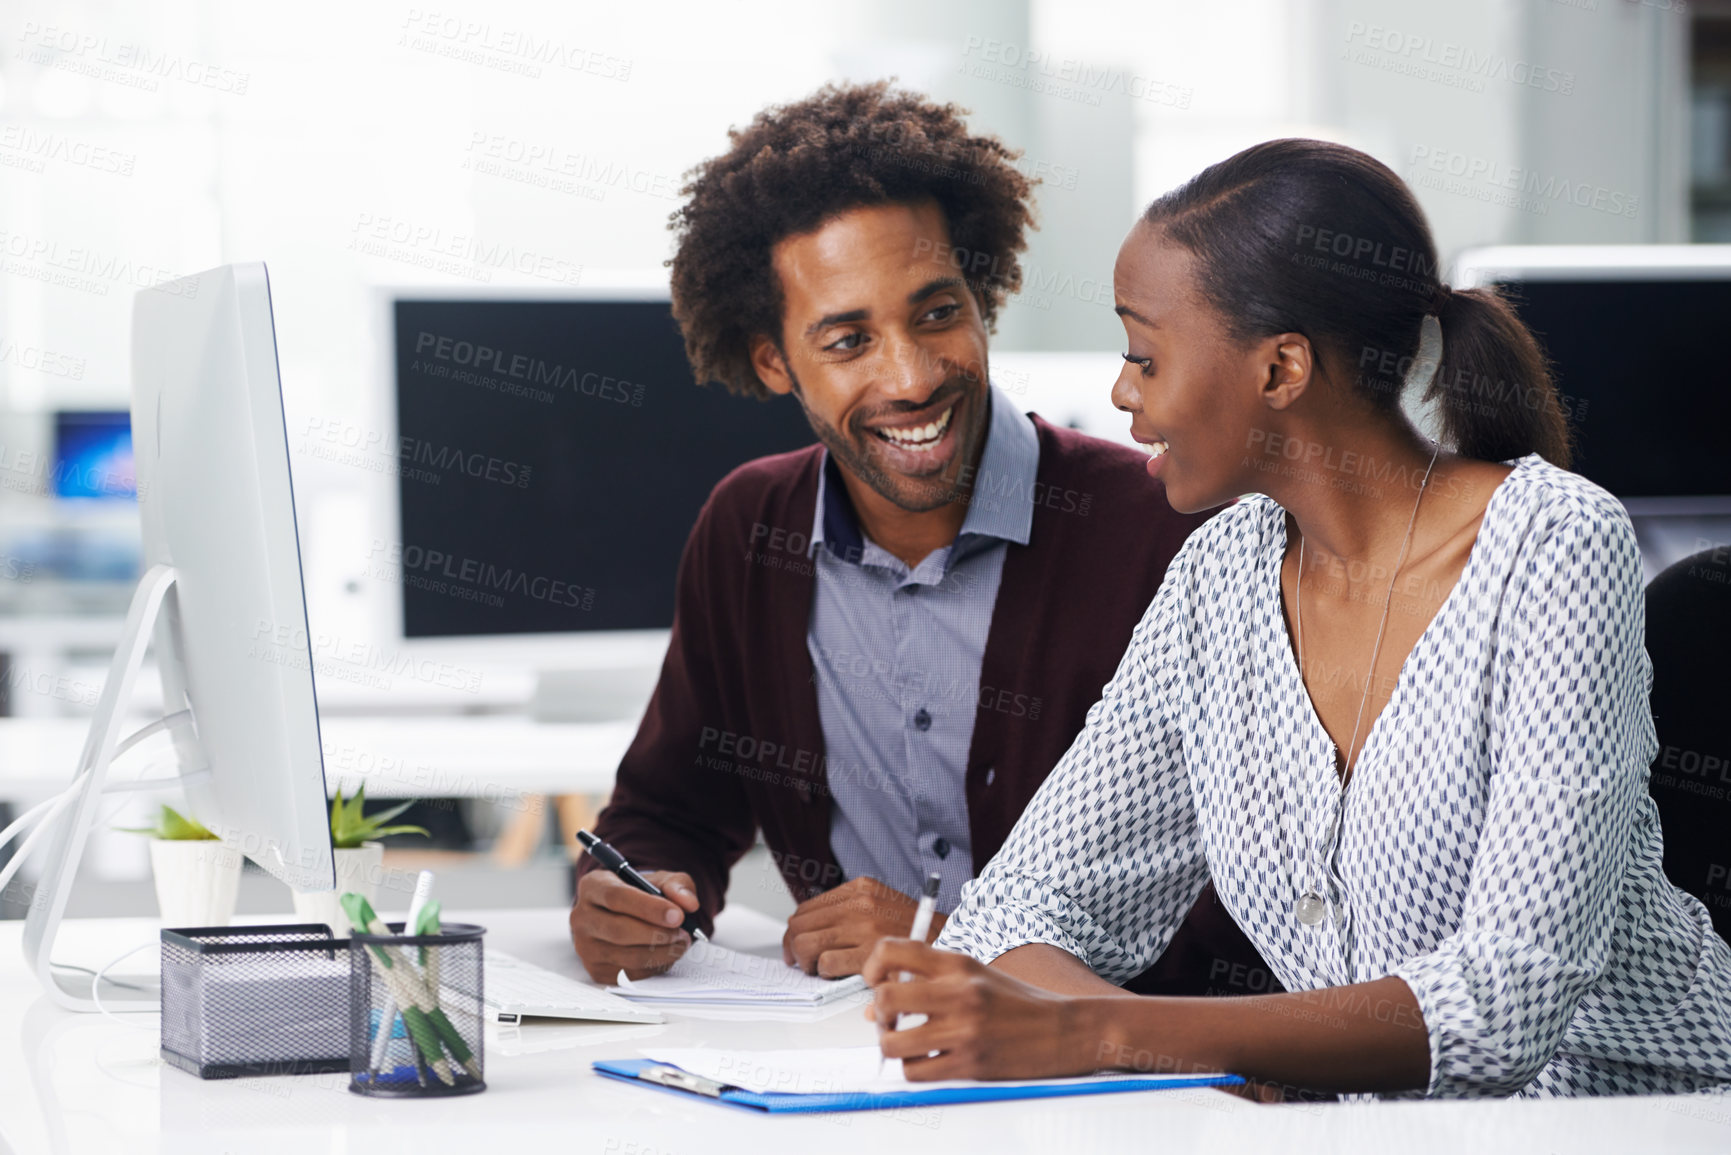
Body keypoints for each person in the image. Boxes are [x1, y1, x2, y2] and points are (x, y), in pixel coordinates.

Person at [861, 138, 1731, 1099]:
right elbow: (1020, 908)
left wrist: (1110, 1030)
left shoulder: (1554, 545)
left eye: (1144, 356)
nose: (1121, 393)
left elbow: (1502, 1004)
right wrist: (1127, 1034)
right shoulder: (1220, 575)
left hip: (1642, 1113)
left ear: (1280, 370)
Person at [566, 82, 1262, 989]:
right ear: (774, 358)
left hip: (1104, 1081)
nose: (910, 376)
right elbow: (672, 808)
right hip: (841, 1059)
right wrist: (633, 892)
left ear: (982, 296)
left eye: (936, 313)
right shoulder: (751, 532)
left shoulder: (1165, 529)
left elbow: (1253, 900)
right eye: (848, 341)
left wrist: (960, 939)